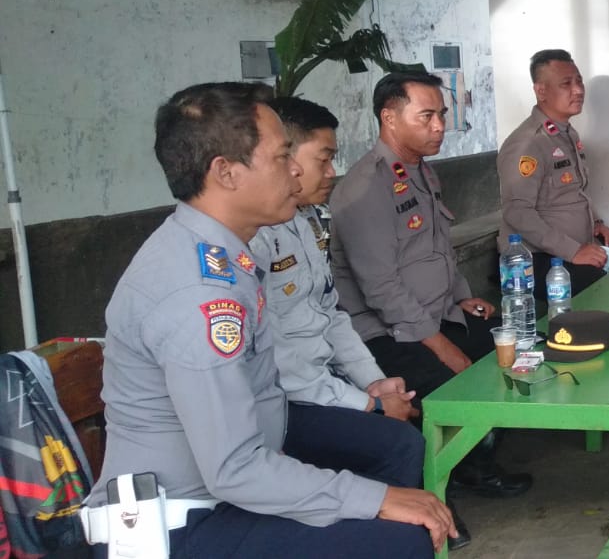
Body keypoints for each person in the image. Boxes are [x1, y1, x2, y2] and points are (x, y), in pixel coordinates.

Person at [84, 82, 451, 557]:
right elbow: (235, 469)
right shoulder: (199, 295)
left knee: (392, 475)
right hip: (179, 523)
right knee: (399, 540)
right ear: (226, 173)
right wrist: (375, 498)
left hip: (229, 486)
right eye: (281, 157)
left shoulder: (220, 254)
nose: (295, 170)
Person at [249, 96, 472, 549]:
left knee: (408, 404)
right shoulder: (254, 238)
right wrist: (365, 403)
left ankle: (413, 522)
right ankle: (400, 532)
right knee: (399, 441)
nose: (332, 172)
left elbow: (331, 314)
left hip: (322, 381)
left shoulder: (307, 221)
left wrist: (375, 383)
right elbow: (280, 358)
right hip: (285, 401)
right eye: (324, 159)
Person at [331, 72, 532, 499]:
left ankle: (476, 459)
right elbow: (381, 288)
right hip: (388, 334)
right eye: (427, 116)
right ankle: (441, 483)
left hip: (436, 315)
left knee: (518, 350)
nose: (439, 126)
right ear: (389, 118)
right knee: (454, 382)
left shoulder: (421, 171)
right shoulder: (364, 189)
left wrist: (463, 298)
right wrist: (443, 347)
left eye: (441, 114)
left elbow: (439, 248)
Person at [499, 49, 609, 296]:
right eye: (566, 84)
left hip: (581, 244)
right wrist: (573, 251)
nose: (578, 90)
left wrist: (597, 223)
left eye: (579, 81)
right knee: (604, 289)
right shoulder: (527, 144)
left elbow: (575, 191)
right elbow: (517, 212)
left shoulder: (566, 134)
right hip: (537, 258)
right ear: (541, 91)